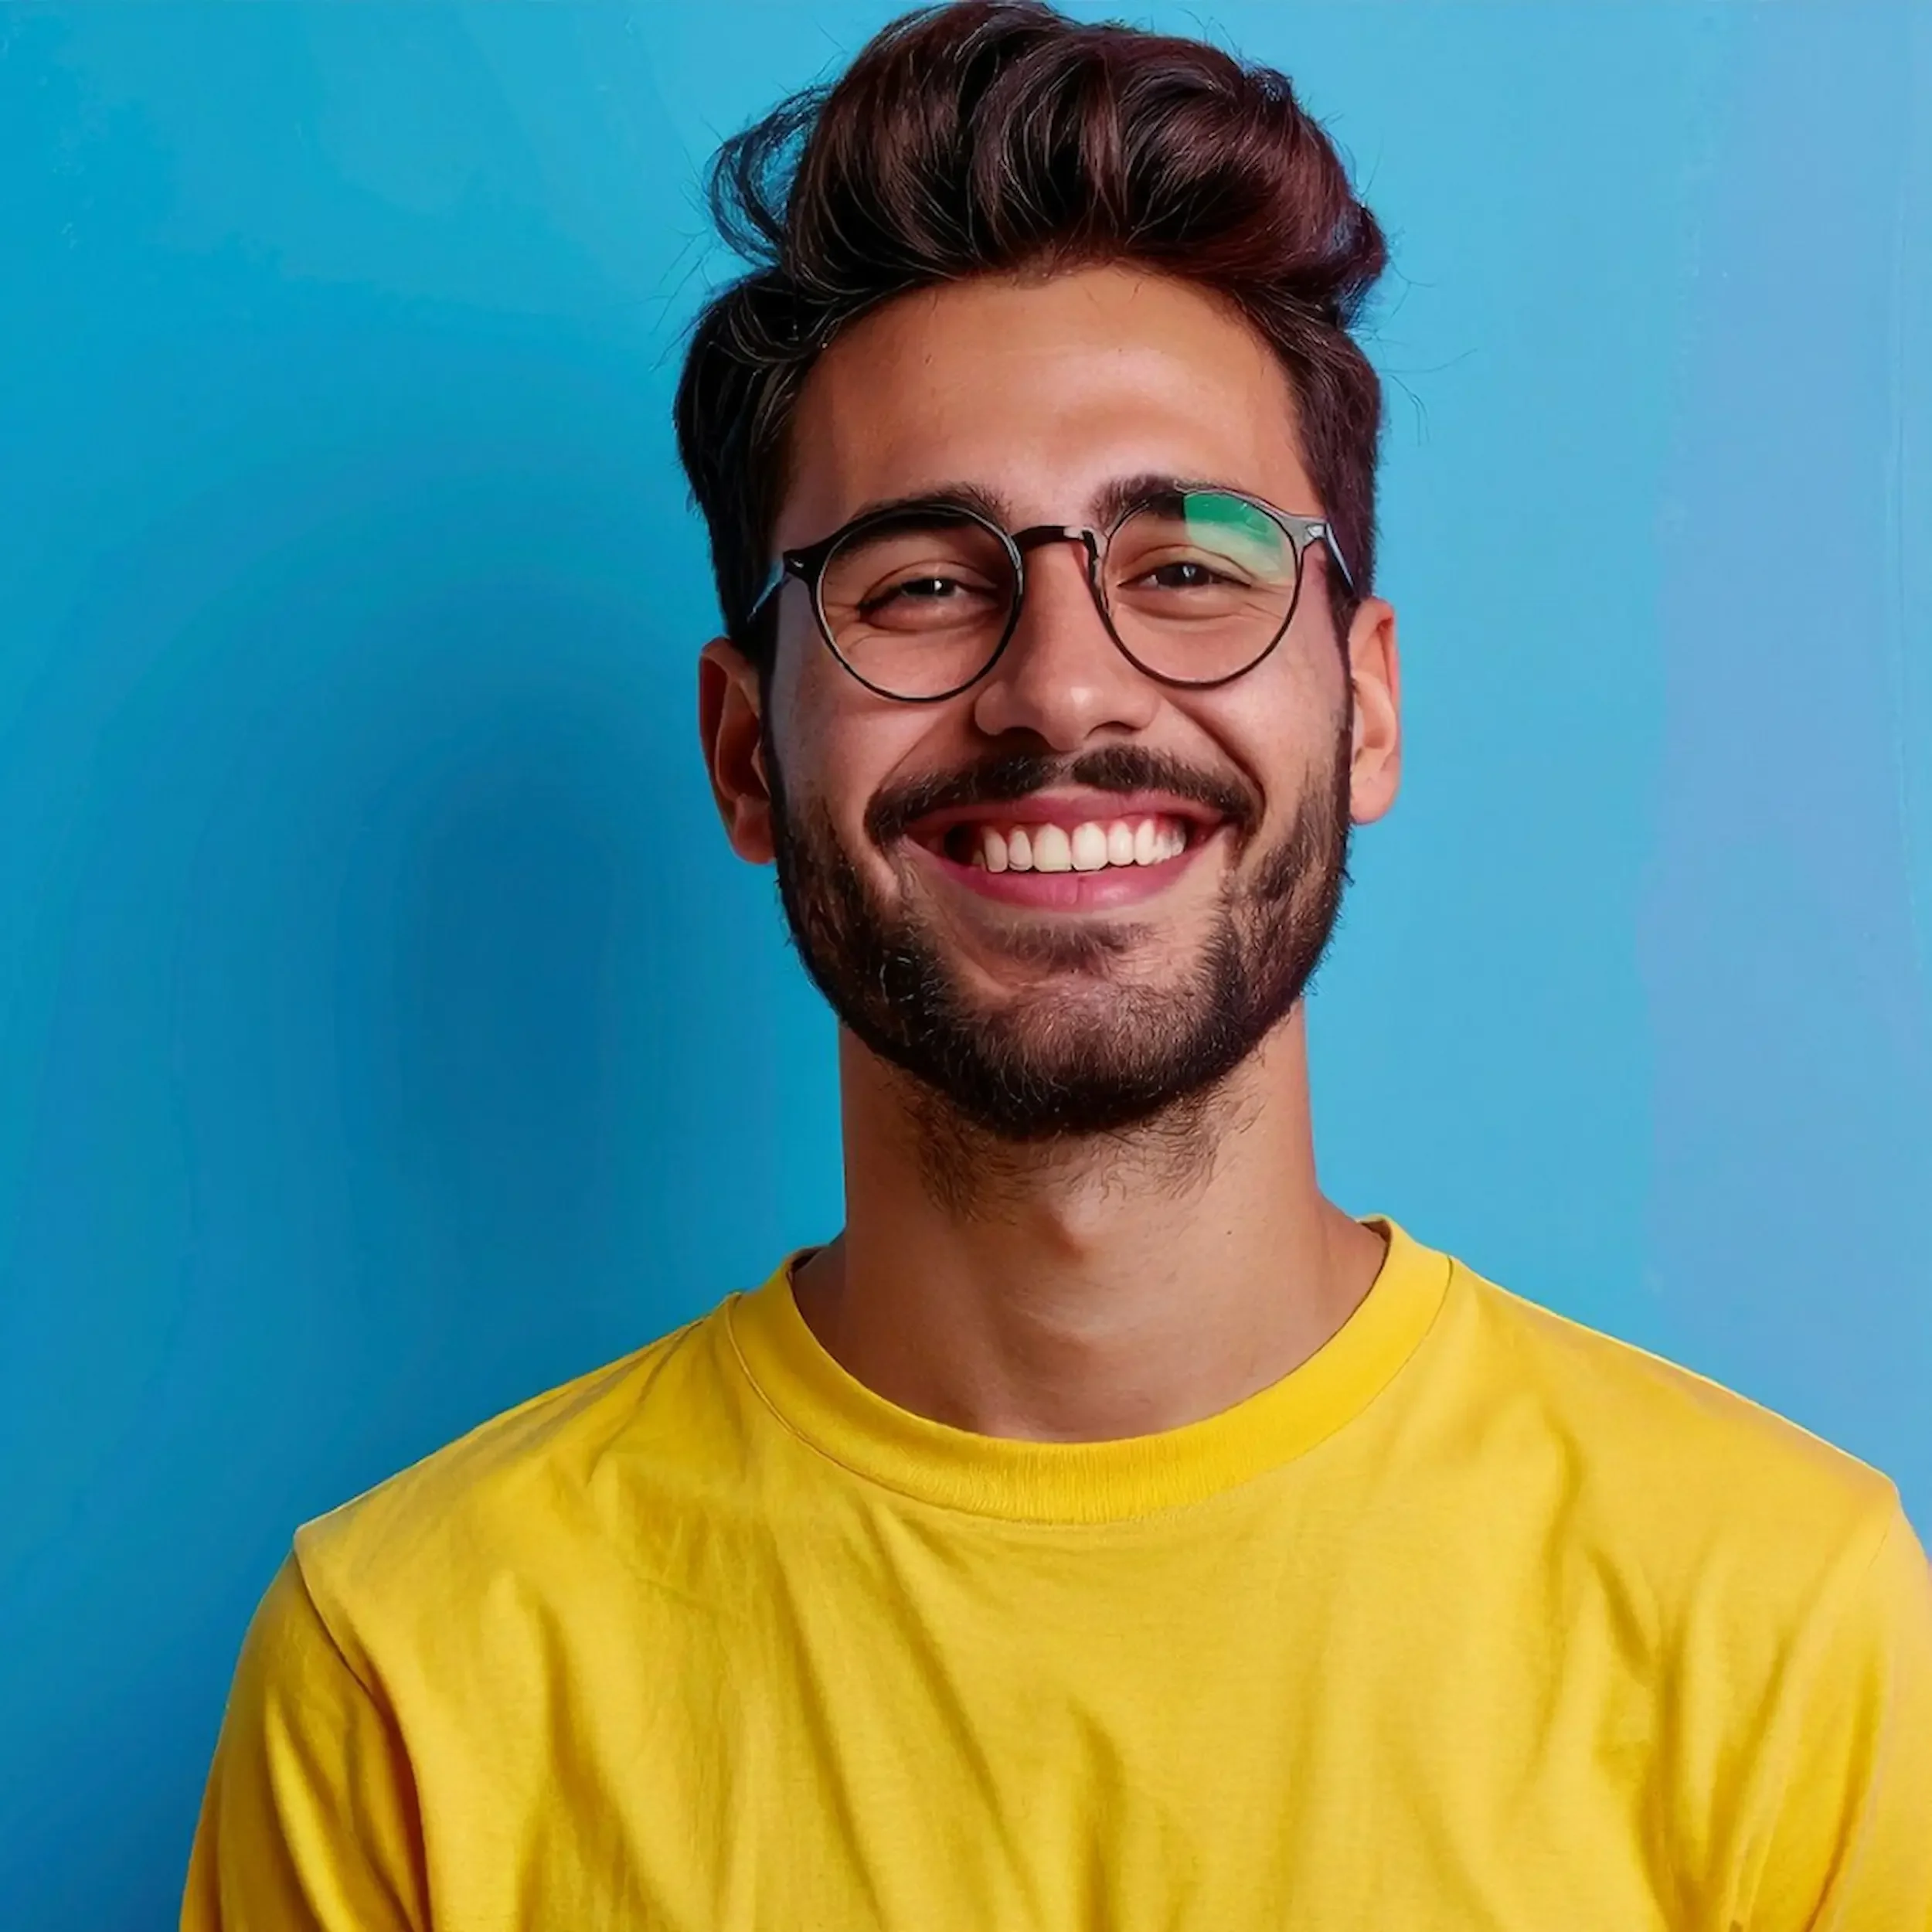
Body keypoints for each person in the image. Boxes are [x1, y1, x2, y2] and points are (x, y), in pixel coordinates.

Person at [182, 4, 1932, 1926]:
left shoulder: (1777, 1623)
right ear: (746, 754)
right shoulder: (405, 1673)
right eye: (923, 583)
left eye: (1185, 563)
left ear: (1361, 708)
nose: (1063, 688)